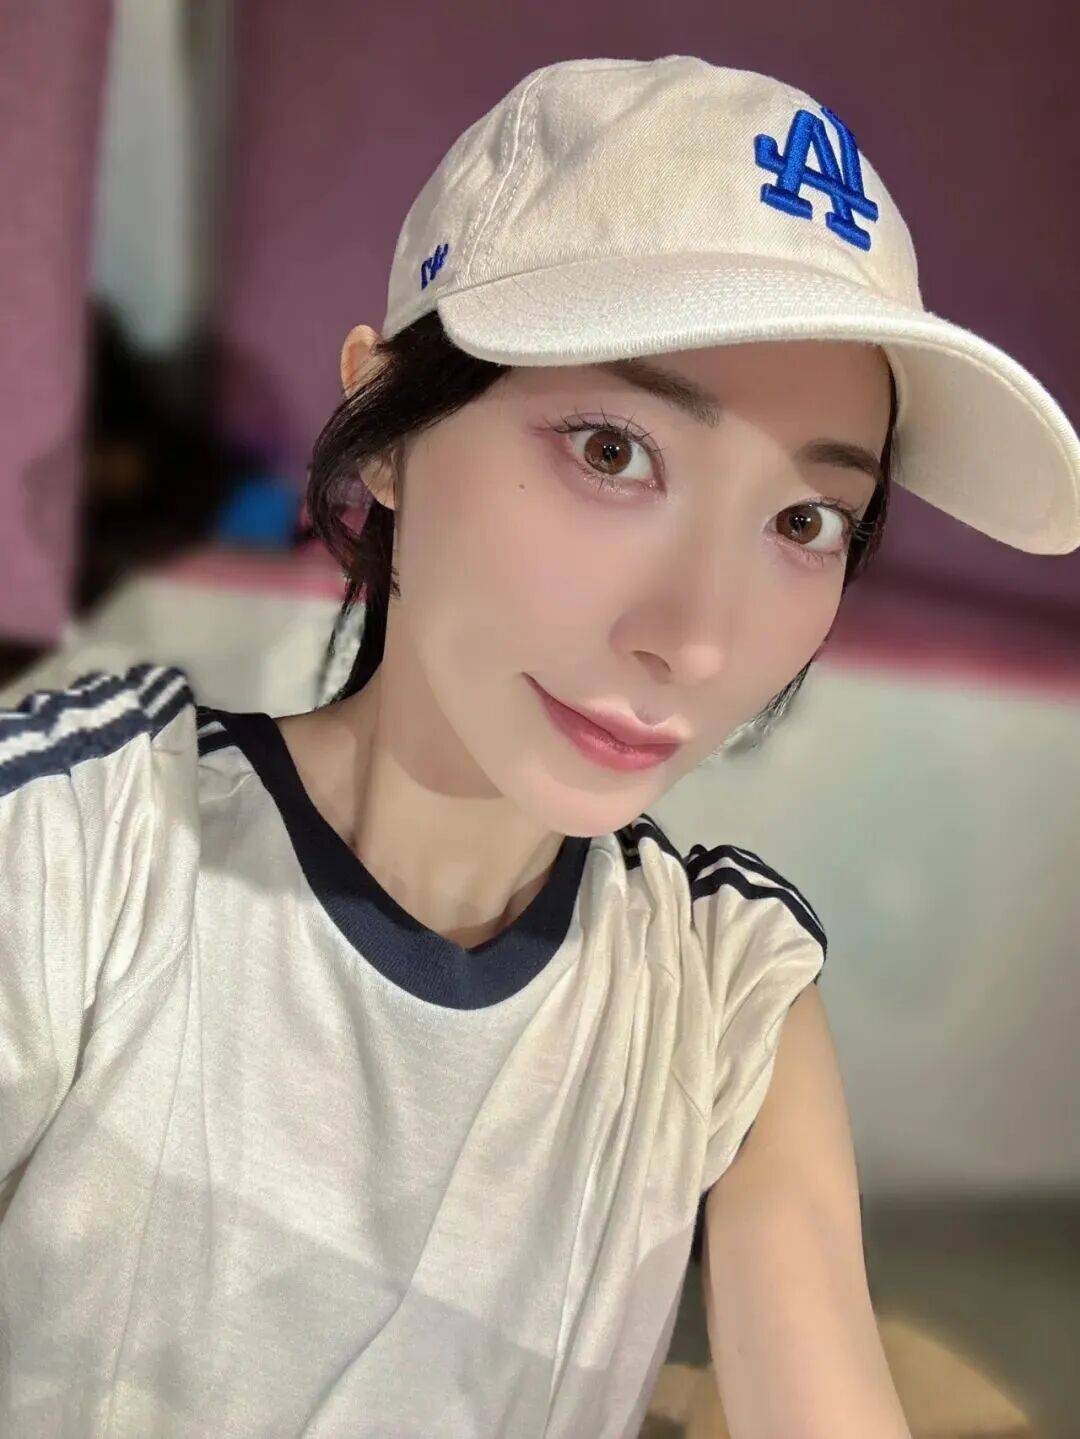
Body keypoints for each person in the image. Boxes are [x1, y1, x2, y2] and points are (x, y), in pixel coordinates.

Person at [1, 54, 1077, 1439]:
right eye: (613, 451)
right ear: (382, 430)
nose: (695, 639)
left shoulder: (722, 996)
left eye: (805, 522)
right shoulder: (79, 847)